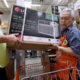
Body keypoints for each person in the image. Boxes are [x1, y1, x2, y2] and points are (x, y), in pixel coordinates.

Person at [52, 8, 80, 80]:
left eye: (66, 18)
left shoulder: (73, 32)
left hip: (72, 70)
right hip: (64, 69)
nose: (63, 21)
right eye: (61, 18)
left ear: (73, 19)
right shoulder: (64, 31)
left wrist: (58, 48)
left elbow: (77, 52)